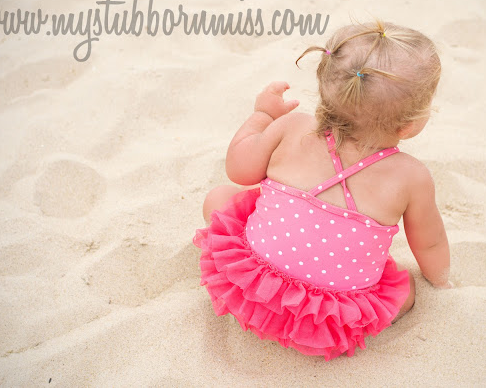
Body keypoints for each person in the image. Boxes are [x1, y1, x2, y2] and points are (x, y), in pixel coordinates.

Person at [193, 20, 450, 361]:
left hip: (251, 288)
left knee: (220, 198)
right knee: (403, 291)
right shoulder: (412, 176)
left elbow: (239, 170)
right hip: (328, 318)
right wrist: (441, 282)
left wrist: (262, 115)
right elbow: (429, 243)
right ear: (409, 125)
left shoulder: (291, 127)